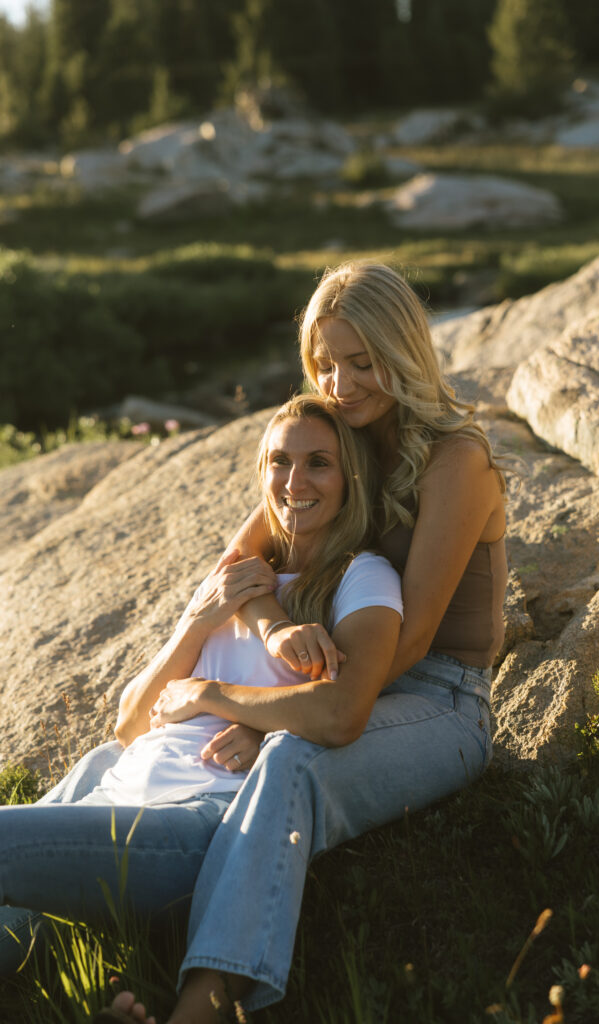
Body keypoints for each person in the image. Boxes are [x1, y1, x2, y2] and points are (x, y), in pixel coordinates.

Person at [96, 261, 508, 1021]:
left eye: (362, 361)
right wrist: (278, 630)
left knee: (290, 759)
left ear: (404, 351)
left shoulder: (457, 459)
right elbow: (236, 571)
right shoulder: (327, 439)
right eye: (325, 363)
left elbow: (411, 641)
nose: (342, 383)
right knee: (117, 756)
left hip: (438, 699)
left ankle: (204, 1006)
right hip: (332, 691)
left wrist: (277, 714)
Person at [0, 394, 404, 1023]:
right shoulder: (238, 577)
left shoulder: (364, 576)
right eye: (279, 461)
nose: (294, 482)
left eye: (318, 463)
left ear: (350, 478)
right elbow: (132, 723)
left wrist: (235, 710)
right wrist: (197, 621)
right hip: (114, 797)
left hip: (196, 827)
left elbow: (339, 710)